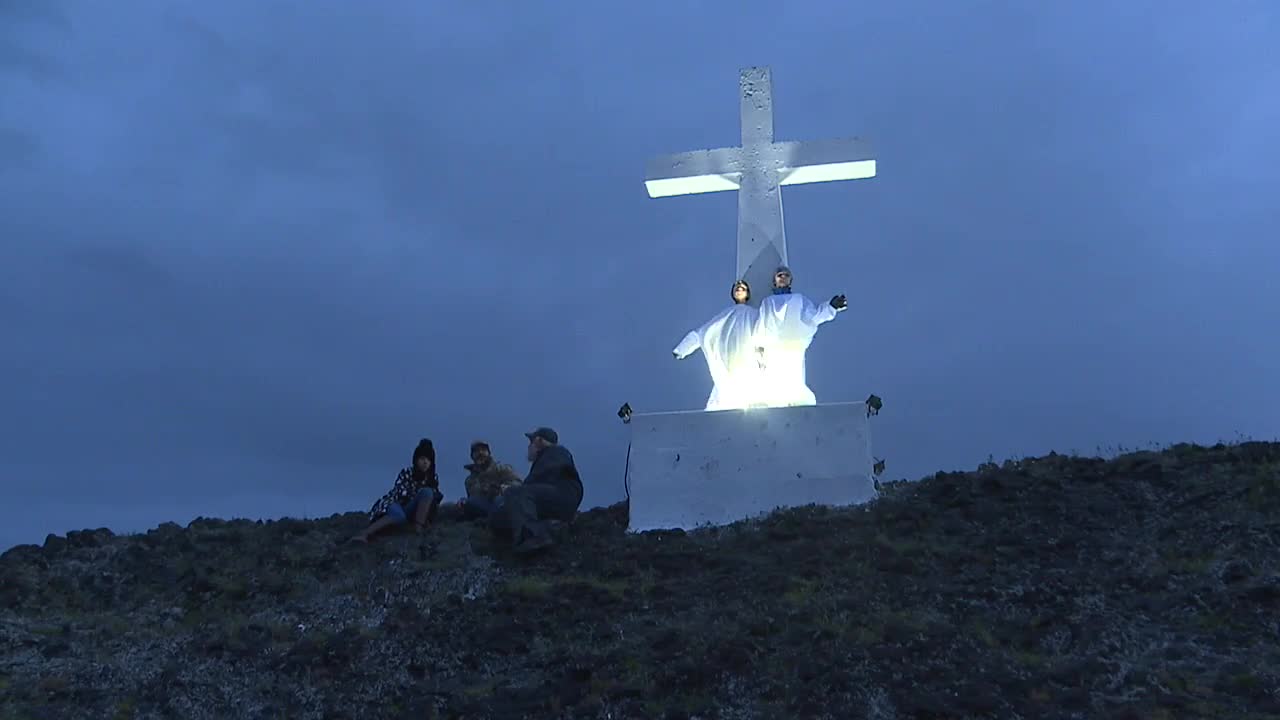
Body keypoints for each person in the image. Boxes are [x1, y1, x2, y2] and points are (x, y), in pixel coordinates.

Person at [753, 265, 847, 407]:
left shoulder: (798, 300)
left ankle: (793, 404)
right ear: (774, 280)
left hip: (793, 347)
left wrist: (831, 306)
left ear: (791, 280)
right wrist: (759, 347)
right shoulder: (768, 302)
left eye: (786, 275)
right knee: (772, 379)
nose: (783, 277)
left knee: (793, 380)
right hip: (774, 348)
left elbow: (814, 316)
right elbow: (762, 325)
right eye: (780, 275)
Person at [673, 279, 764, 411]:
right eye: (737, 288)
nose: (739, 289)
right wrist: (682, 348)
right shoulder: (725, 314)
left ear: (748, 293)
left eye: (742, 288)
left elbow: (763, 331)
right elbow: (703, 332)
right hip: (728, 357)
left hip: (747, 357)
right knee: (725, 388)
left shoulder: (753, 314)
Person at [489, 427, 583, 554]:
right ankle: (550, 526)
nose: (529, 447)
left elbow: (536, 481)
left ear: (539, 441)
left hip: (562, 495)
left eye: (530, 443)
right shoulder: (551, 456)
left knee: (515, 494)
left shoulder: (555, 452)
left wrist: (512, 491)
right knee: (499, 516)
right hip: (555, 501)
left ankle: (533, 537)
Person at [350, 438, 443, 543]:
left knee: (428, 492)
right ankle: (365, 534)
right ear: (416, 460)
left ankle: (418, 528)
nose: (425, 462)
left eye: (428, 459)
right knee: (399, 515)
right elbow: (401, 494)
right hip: (396, 504)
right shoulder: (407, 473)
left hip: (411, 511)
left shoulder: (432, 478)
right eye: (422, 458)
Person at [457, 440, 522, 520]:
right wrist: (464, 501)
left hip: (502, 505)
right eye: (476, 451)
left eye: (483, 450)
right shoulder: (469, 481)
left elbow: (518, 485)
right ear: (472, 456)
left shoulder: (502, 469)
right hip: (481, 509)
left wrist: (503, 488)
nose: (480, 453)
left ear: (489, 453)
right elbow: (472, 499)